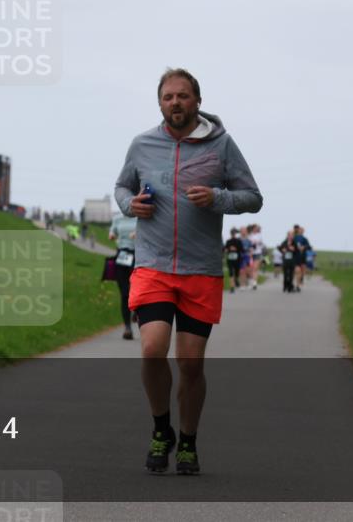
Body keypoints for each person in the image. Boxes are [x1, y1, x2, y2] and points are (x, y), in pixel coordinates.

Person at [114, 67, 262, 475]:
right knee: (151, 349)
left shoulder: (222, 146)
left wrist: (217, 197)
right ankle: (162, 429)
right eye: (167, 97)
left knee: (191, 364)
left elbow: (253, 197)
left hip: (201, 270)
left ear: (197, 101)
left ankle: (189, 442)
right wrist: (131, 206)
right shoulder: (142, 144)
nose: (175, 103)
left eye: (182, 96)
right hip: (153, 265)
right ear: (159, 103)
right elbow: (122, 187)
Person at [109, 214, 139, 338]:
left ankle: (136, 310)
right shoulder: (117, 218)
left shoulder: (140, 217)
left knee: (137, 289)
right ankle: (127, 328)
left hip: (138, 255)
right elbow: (112, 232)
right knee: (124, 293)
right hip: (122, 255)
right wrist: (112, 235)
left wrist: (139, 235)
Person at [223, 228, 243, 293]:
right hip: (230, 259)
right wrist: (228, 249)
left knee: (237, 271)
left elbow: (242, 249)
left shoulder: (238, 241)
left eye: (234, 233)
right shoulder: (228, 241)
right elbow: (224, 249)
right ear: (231, 233)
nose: (233, 234)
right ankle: (232, 287)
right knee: (231, 272)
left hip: (237, 259)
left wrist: (236, 249)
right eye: (232, 233)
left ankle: (236, 279)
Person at [293, 225, 311, 290]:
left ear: (303, 231)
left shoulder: (305, 239)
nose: (301, 231)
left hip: (303, 256)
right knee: (298, 270)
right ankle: (297, 284)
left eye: (302, 230)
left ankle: (301, 278)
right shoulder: (295, 238)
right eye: (300, 230)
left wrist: (304, 247)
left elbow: (309, 246)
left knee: (303, 270)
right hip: (296, 257)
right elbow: (291, 245)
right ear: (298, 230)